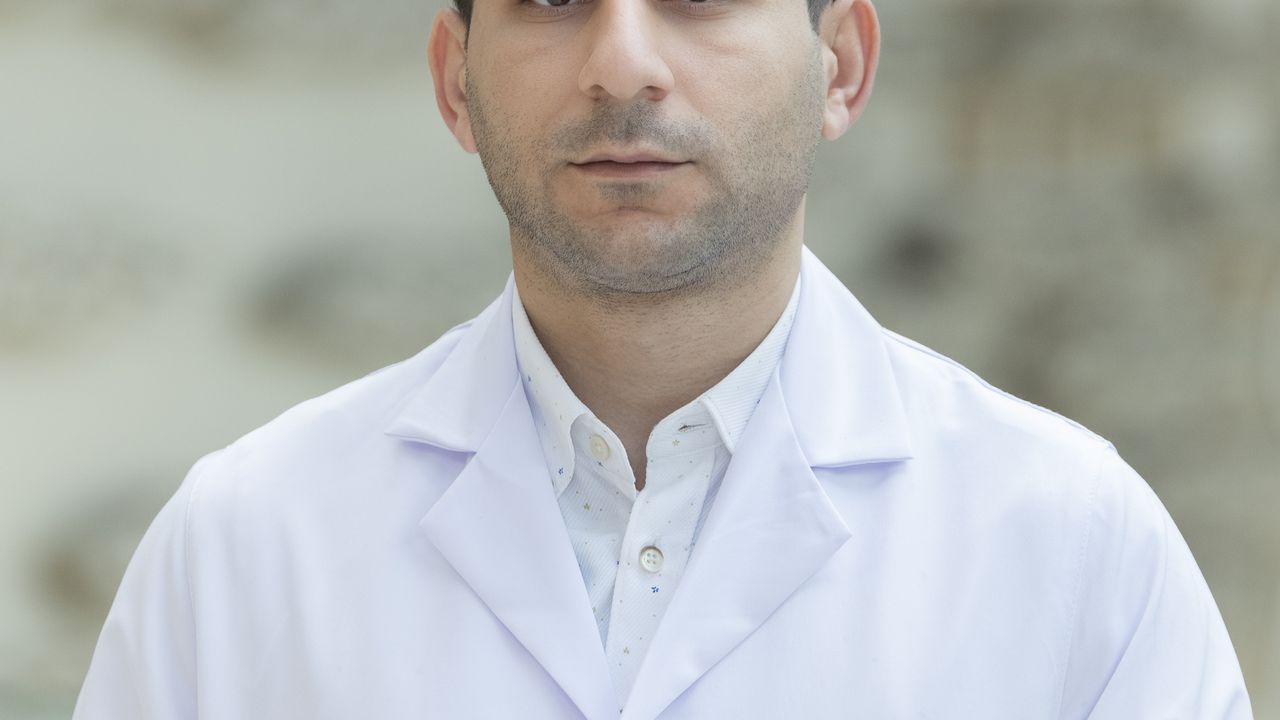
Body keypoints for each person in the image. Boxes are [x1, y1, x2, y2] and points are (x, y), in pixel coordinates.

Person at [74, 0, 1254, 716]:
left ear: (840, 66)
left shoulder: (1069, 541)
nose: (621, 62)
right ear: (453, 82)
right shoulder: (243, 545)